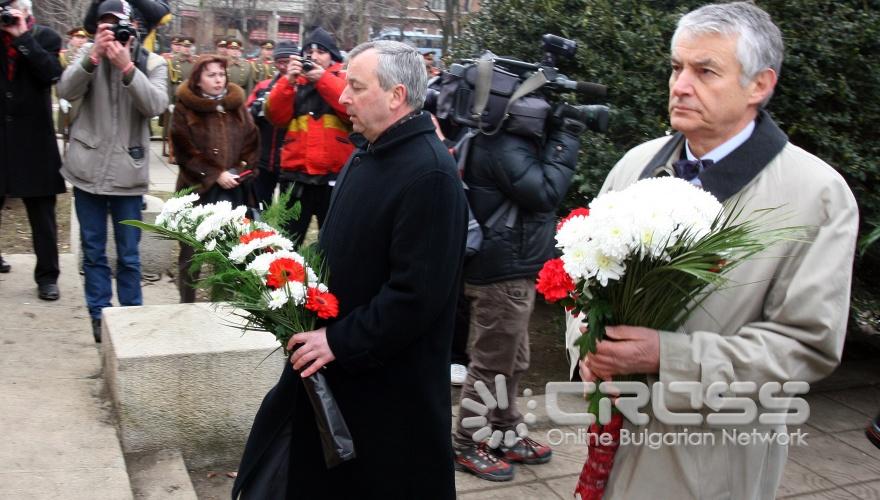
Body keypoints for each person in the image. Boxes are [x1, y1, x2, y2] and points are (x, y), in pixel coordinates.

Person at [573, 3, 859, 498]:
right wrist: (587, 348)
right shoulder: (635, 165)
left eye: (705, 71)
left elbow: (806, 345)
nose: (680, 85)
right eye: (676, 67)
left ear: (759, 86)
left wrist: (669, 356)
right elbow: (582, 284)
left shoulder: (818, 195)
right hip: (612, 446)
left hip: (713, 464)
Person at [233, 40, 467, 499]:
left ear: (396, 96)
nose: (342, 97)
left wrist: (337, 340)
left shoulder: (430, 176)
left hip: (387, 393)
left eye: (356, 88)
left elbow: (415, 297)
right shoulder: (368, 154)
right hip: (343, 373)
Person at [450, 88, 587, 481]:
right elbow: (545, 192)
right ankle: (465, 443)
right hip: (500, 273)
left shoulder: (501, 140)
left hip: (512, 268)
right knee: (491, 365)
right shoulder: (503, 146)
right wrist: (567, 137)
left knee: (514, 361)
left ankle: (504, 431)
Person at [57, 0, 168, 342]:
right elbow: (65, 90)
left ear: (133, 26)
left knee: (130, 256)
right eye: (104, 25)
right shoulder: (88, 56)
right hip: (87, 170)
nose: (111, 32)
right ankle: (98, 314)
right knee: (93, 251)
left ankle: (131, 318)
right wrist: (92, 59)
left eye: (117, 25)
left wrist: (127, 69)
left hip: (128, 175)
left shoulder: (153, 63)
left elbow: (156, 106)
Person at [171, 55, 259, 303]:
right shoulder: (185, 108)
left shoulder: (236, 106)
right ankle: (186, 305)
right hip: (196, 191)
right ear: (198, 80)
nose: (218, 80)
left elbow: (252, 142)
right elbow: (184, 151)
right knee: (191, 252)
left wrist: (240, 169)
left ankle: (222, 303)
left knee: (228, 250)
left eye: (221, 74)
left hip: (231, 192)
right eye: (211, 75)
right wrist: (214, 174)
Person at [264, 27, 353, 247]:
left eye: (321, 51)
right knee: (287, 244)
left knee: (335, 246)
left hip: (334, 178)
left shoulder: (344, 79)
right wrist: (288, 81)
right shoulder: (293, 83)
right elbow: (275, 116)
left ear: (332, 56)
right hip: (296, 177)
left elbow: (349, 108)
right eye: (309, 52)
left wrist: (322, 79)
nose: (313, 56)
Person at [0, 0, 65, 299]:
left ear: (27, 13)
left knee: (42, 216)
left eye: (13, 11)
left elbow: (50, 73)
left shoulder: (45, 37)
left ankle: (47, 276)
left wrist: (22, 36)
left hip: (33, 142)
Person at [246, 41, 297, 209]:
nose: (283, 67)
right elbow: (246, 117)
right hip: (263, 159)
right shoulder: (263, 87)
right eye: (279, 62)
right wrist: (259, 107)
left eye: (287, 62)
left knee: (285, 213)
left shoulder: (303, 88)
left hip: (289, 163)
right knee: (258, 209)